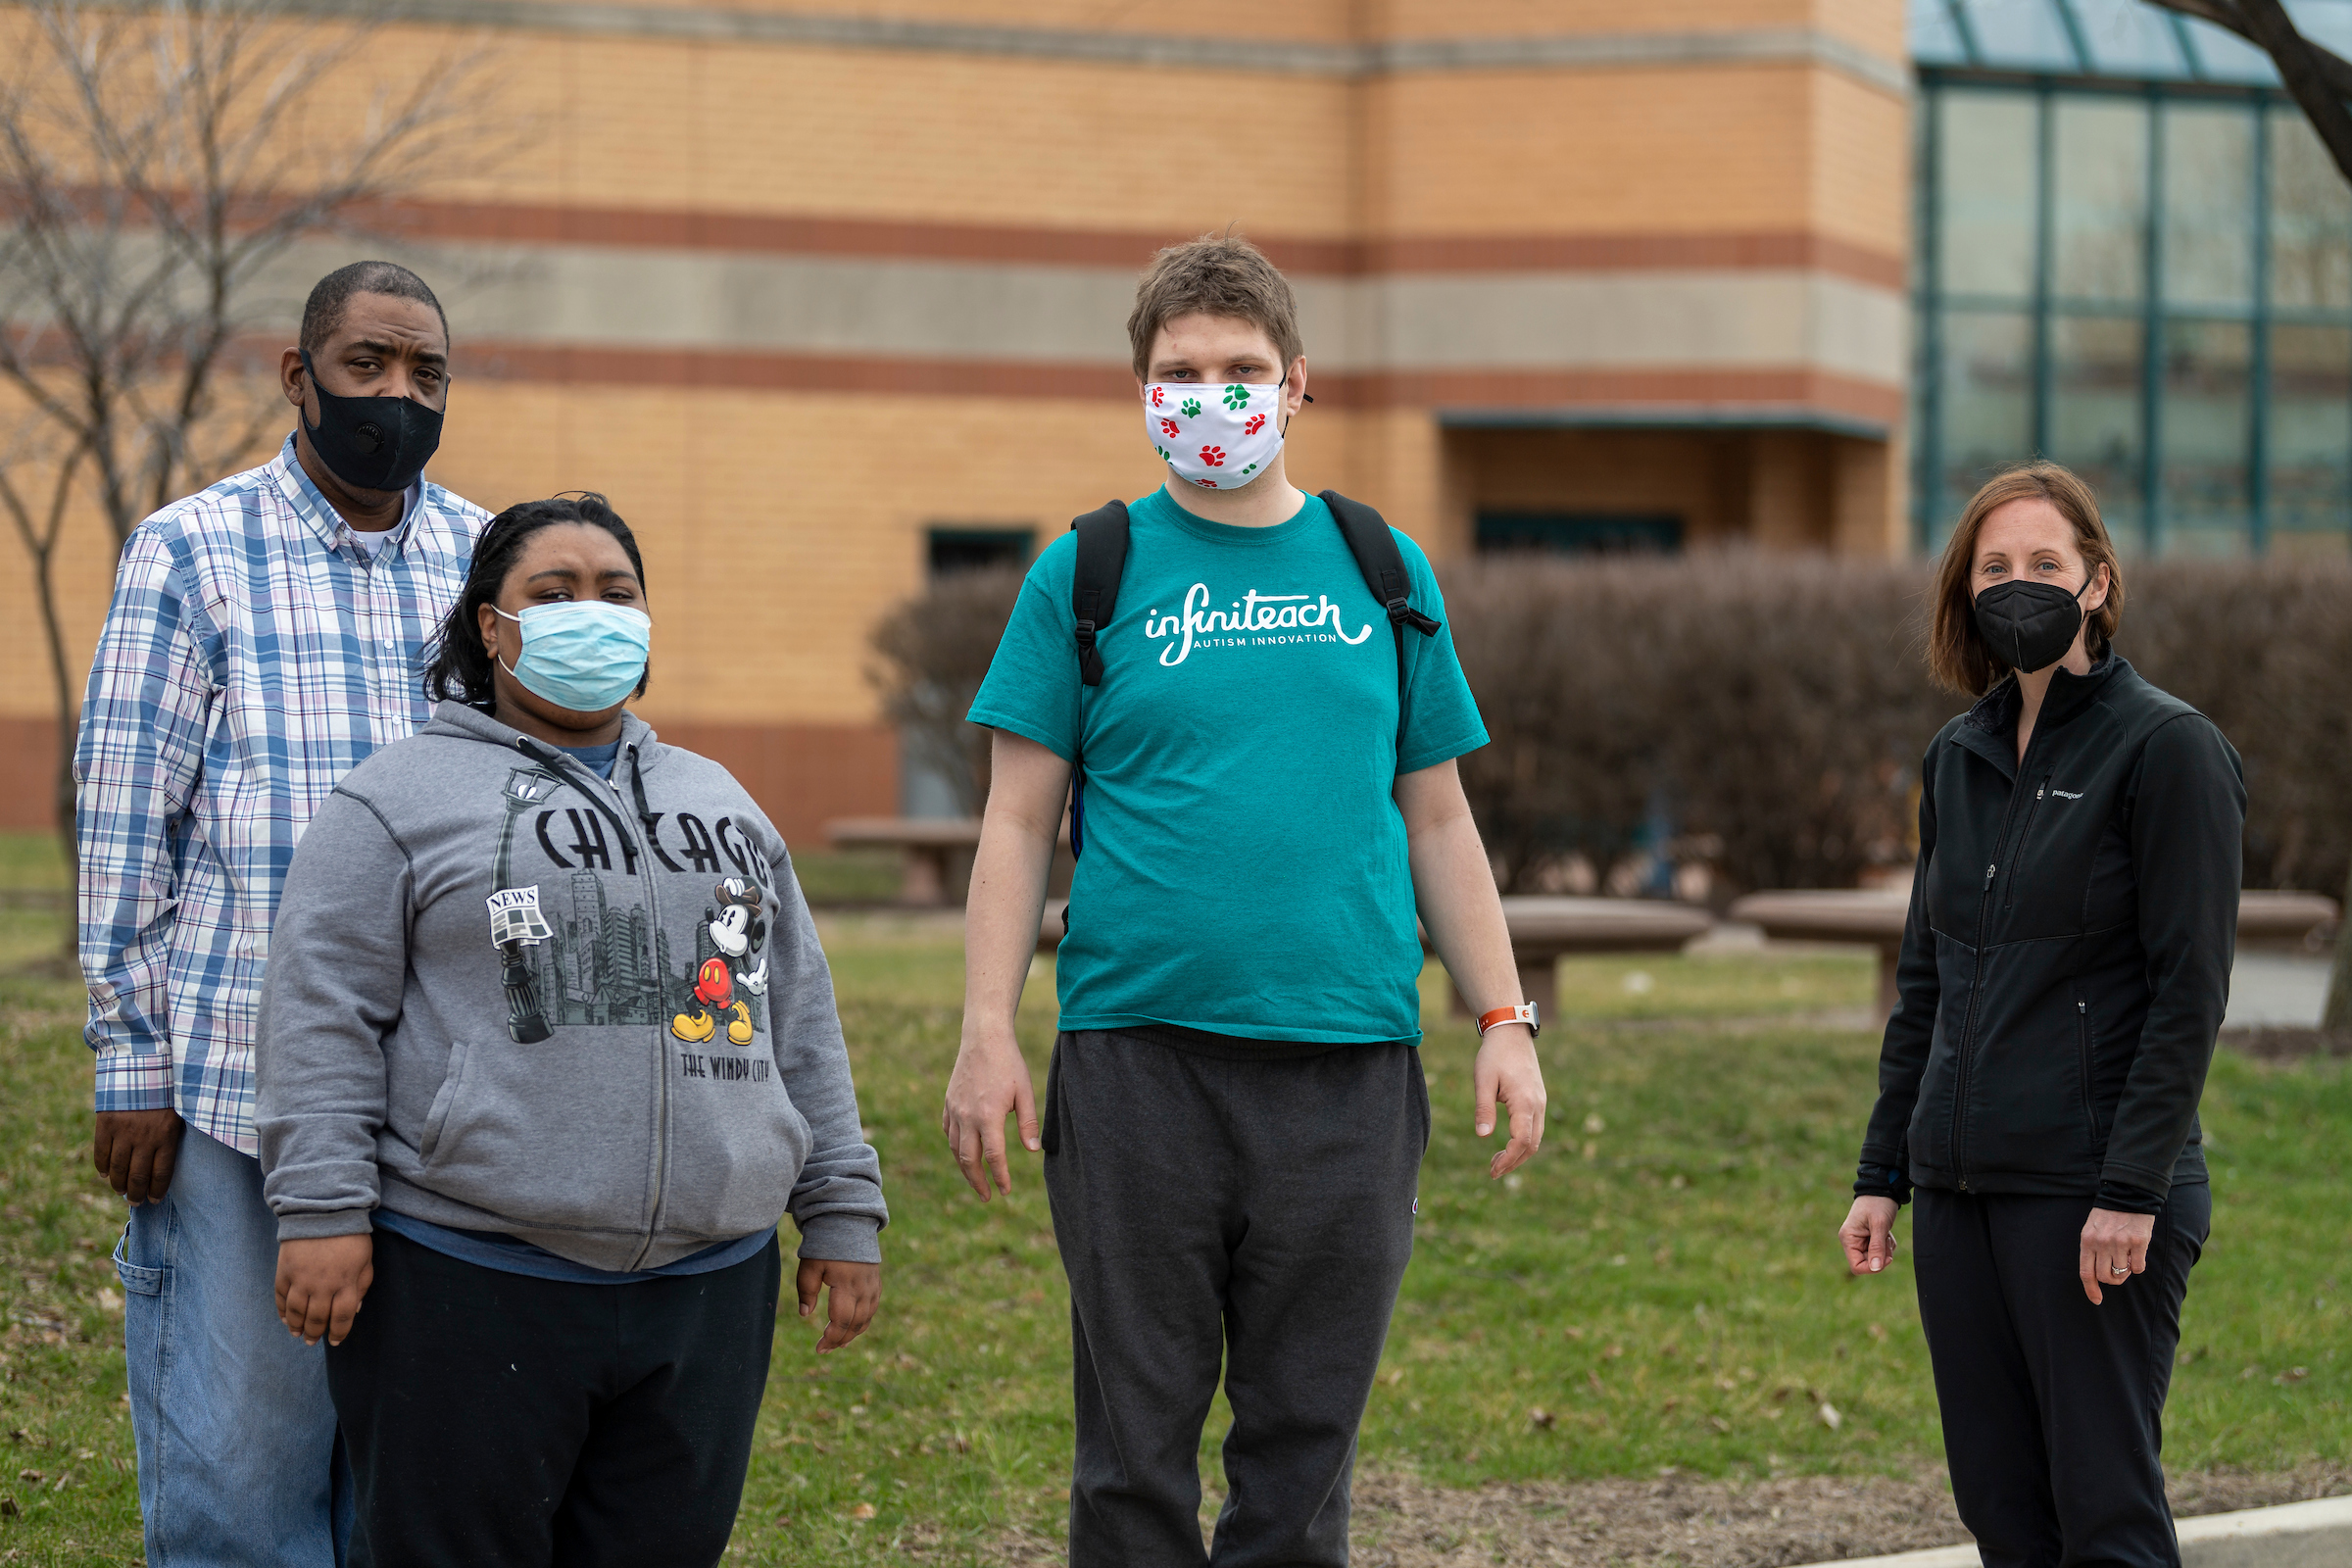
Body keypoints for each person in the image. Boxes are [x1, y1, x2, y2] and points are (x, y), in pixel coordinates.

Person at [943, 233, 1545, 1567]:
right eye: (1180, 372)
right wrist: (987, 1030)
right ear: (1141, 388)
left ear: (1296, 383)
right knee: (1132, 1469)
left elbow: (1438, 817)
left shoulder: (1380, 566)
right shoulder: (1088, 571)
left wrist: (1505, 1014)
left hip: (1349, 1074)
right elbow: (1016, 821)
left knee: (1301, 1468)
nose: (1210, 397)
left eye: (1240, 369)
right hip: (1139, 1066)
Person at [253, 494, 885, 1568]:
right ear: (490, 628)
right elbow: (320, 1014)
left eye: (616, 592)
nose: (591, 612)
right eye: (554, 593)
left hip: (707, 1288)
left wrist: (839, 1206)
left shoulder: (719, 799)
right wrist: (320, 1206)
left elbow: (799, 1018)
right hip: (469, 1277)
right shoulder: (392, 800)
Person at [76, 260, 485, 1566]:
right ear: (297, 376)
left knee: (408, 1487)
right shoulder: (190, 553)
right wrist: (130, 1064)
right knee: (244, 1488)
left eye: (426, 373)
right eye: (368, 364)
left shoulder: (489, 561)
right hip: (232, 1095)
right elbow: (130, 817)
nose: (398, 395)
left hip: (442, 1109)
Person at [1838, 462, 2244, 1568]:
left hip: (2092, 1201)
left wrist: (2129, 1192)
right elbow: (1928, 981)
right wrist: (1885, 1173)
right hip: (1961, 1197)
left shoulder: (2168, 749)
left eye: (2046, 565)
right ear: (1964, 592)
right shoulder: (1957, 759)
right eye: (1995, 567)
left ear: (2099, 584)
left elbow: (2189, 995)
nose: (2019, 586)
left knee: (2104, 1521)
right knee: (2006, 1519)